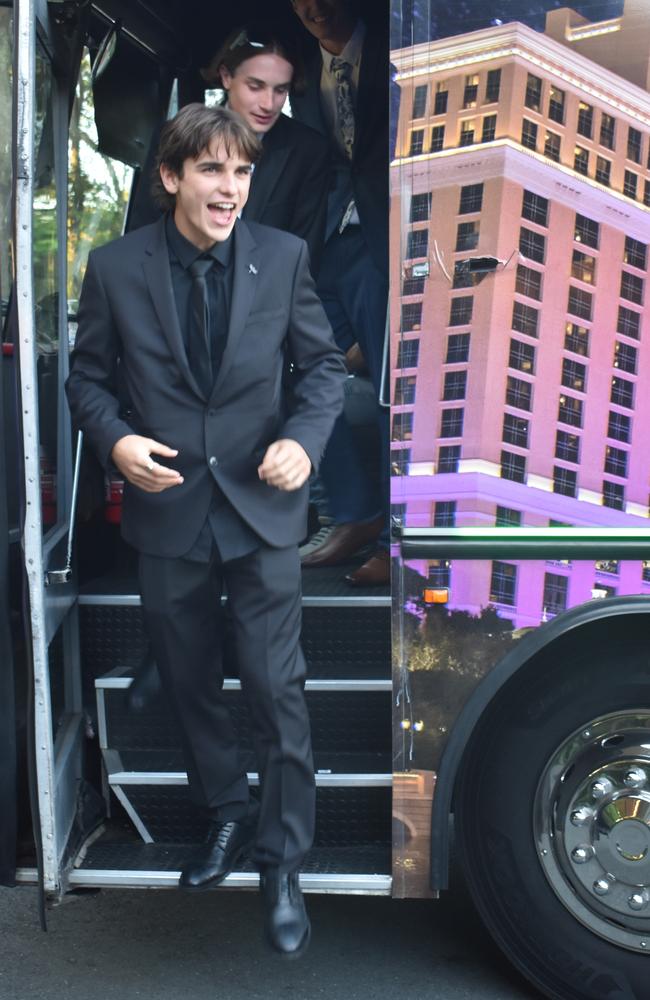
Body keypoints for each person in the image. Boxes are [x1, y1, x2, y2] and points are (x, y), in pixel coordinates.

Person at [66, 104, 346, 957]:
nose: (232, 189)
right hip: (167, 511)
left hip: (263, 513)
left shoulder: (286, 256)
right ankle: (225, 816)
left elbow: (322, 368)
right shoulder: (114, 268)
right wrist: (114, 439)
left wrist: (303, 441)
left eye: (243, 172)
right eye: (215, 171)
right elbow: (86, 380)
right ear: (171, 177)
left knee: (275, 691)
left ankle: (283, 860)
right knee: (190, 684)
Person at [289, 0, 391, 587]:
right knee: (296, 367)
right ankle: (353, 509)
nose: (315, 6)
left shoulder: (395, 46)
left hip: (388, 242)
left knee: (387, 396)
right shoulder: (297, 67)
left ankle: (391, 538)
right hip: (323, 243)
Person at [202, 23, 330, 273]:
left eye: (280, 90)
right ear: (226, 77)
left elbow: (303, 260)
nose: (268, 104)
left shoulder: (308, 152)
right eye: (255, 86)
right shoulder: (178, 137)